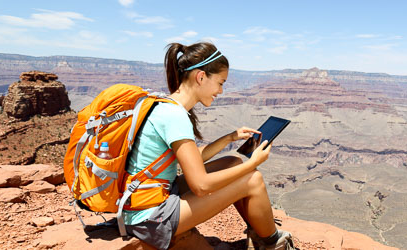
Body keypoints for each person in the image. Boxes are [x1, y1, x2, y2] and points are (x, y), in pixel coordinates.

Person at [122, 42, 294, 250]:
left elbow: (193, 158)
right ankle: (273, 243)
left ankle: (258, 233)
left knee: (232, 161)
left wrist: (229, 138)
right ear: (201, 77)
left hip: (148, 202)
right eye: (220, 82)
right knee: (252, 179)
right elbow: (201, 186)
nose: (221, 91)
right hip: (151, 218)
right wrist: (253, 163)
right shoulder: (175, 117)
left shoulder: (166, 105)